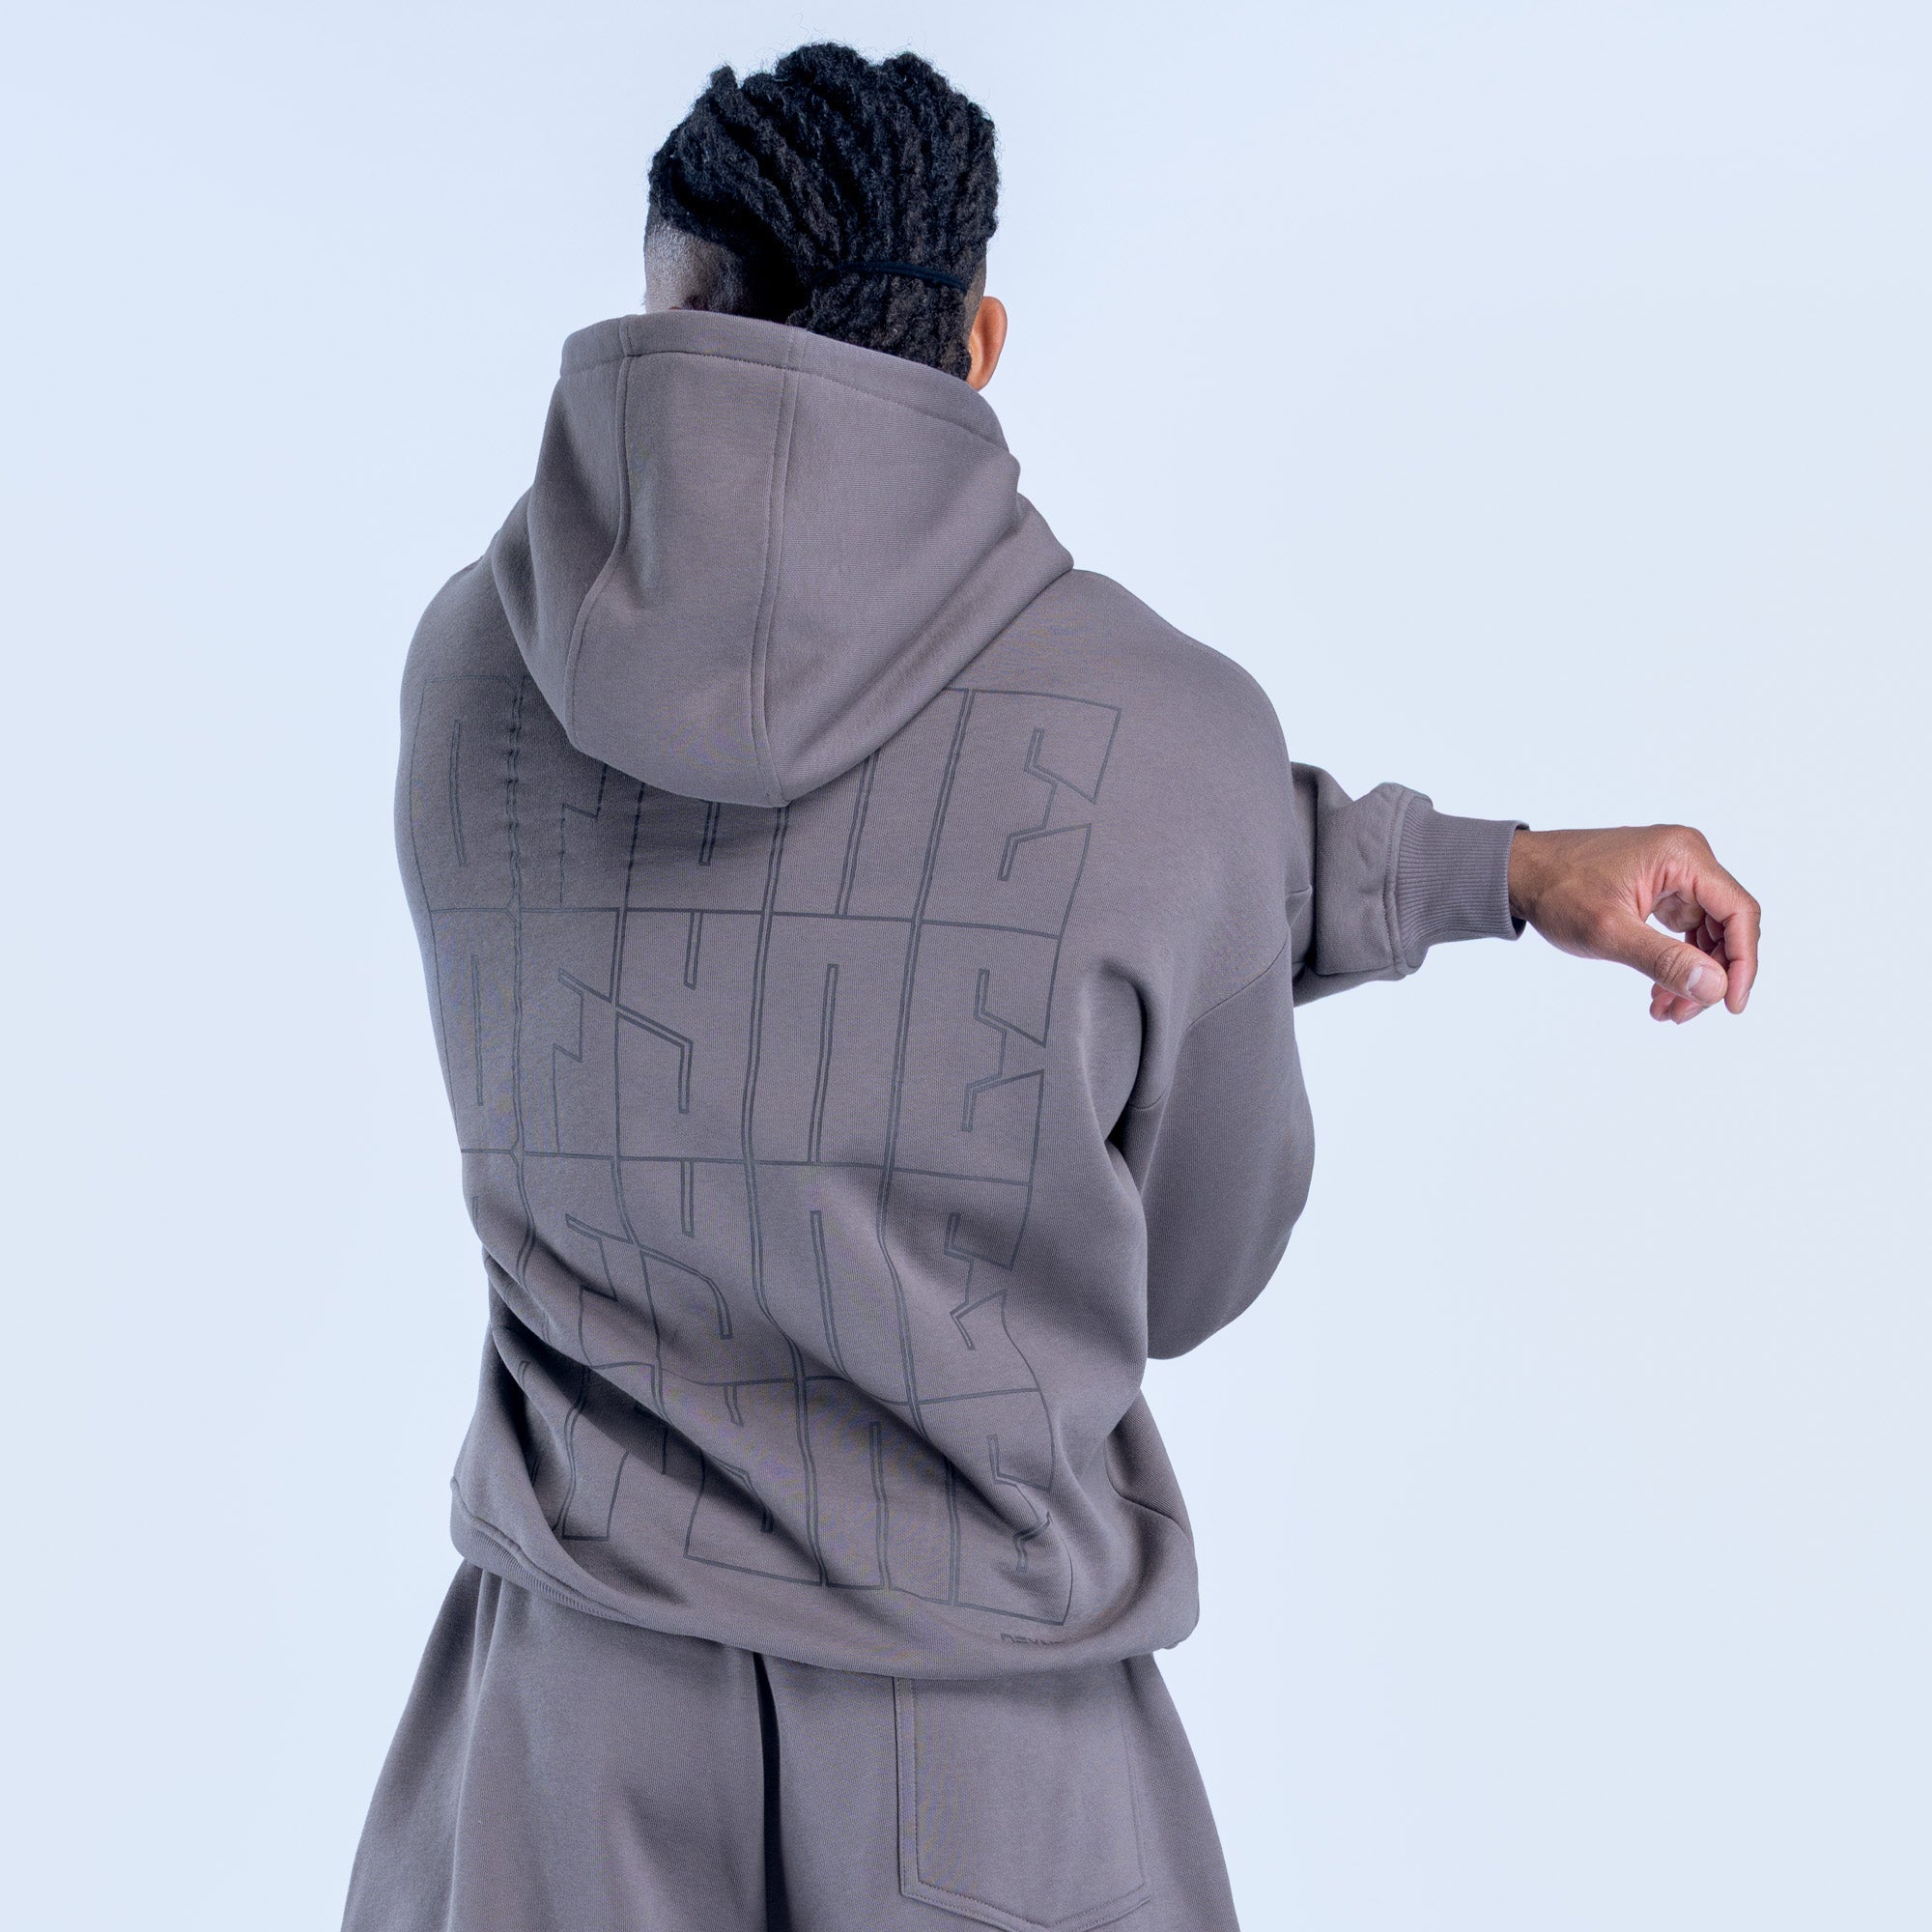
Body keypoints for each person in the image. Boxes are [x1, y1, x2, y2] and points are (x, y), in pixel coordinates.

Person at [341, 42, 1760, 1932]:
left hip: (551, 1746)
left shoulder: (470, 661)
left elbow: (890, 858)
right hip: (978, 1774)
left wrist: (1480, 870)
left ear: (662, 303)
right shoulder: (1169, 733)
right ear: (980, 343)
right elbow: (1180, 1248)